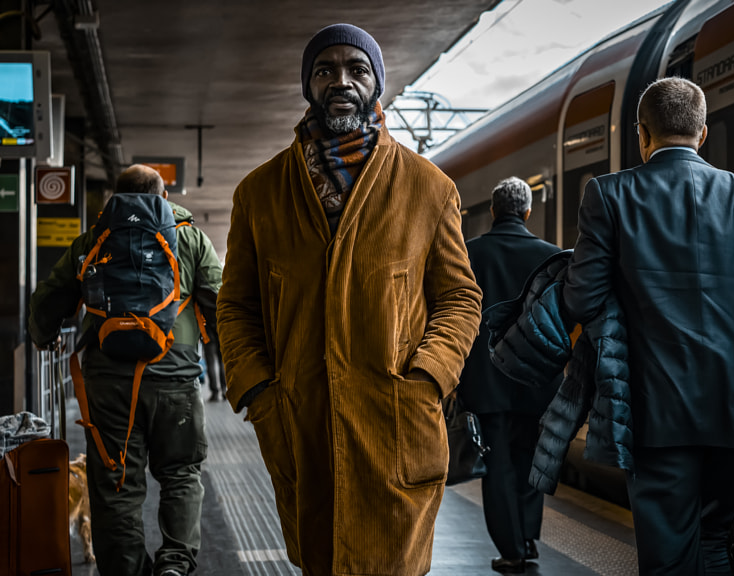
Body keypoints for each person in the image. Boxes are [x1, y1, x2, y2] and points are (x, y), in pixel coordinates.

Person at [216, 23, 482, 576]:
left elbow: (459, 297)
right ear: (309, 86)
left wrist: (430, 375)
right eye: (325, 69)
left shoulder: (429, 188)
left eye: (357, 69)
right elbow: (235, 305)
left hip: (396, 423)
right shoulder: (259, 193)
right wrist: (259, 390)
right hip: (301, 421)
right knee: (319, 558)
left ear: (377, 85)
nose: (341, 80)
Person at [561, 77, 734, 575]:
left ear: (642, 134)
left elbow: (582, 298)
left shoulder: (609, 195)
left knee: (666, 555)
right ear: (702, 133)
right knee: (718, 542)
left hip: (653, 412)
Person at [28, 164, 223, 576]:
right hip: (176, 380)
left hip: (109, 385)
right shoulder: (189, 238)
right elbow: (223, 301)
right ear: (164, 198)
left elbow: (47, 299)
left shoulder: (94, 239)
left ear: (113, 198)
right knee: (181, 473)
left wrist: (44, 335)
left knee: (115, 486)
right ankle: (175, 565)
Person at [459, 177, 561, 574]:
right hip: (538, 380)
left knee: (497, 464)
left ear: (493, 211)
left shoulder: (471, 254)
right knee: (532, 460)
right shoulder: (551, 256)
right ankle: (529, 537)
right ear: (528, 212)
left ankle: (511, 548)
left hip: (487, 383)